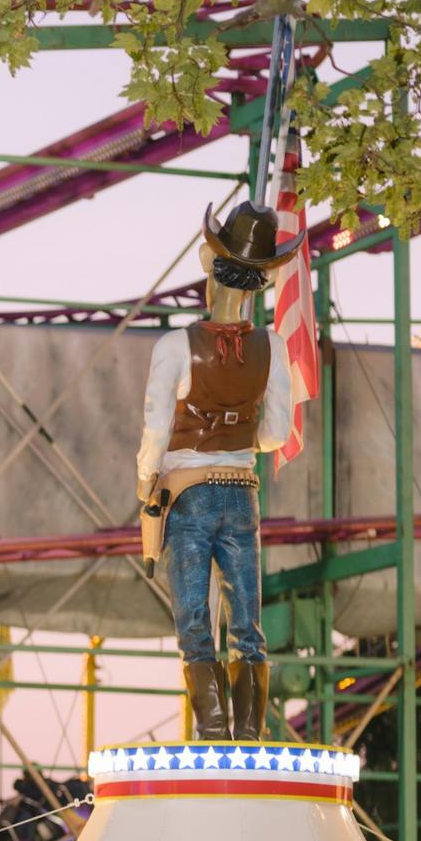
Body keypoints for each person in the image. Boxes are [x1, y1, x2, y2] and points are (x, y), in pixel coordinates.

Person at [136, 199, 301, 739]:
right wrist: (237, 430)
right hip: (242, 493)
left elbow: (156, 429)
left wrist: (145, 483)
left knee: (193, 620)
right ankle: (250, 736)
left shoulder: (174, 346)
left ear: (210, 263)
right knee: (247, 624)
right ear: (259, 283)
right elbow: (275, 434)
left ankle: (212, 733)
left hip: (186, 492)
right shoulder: (273, 346)